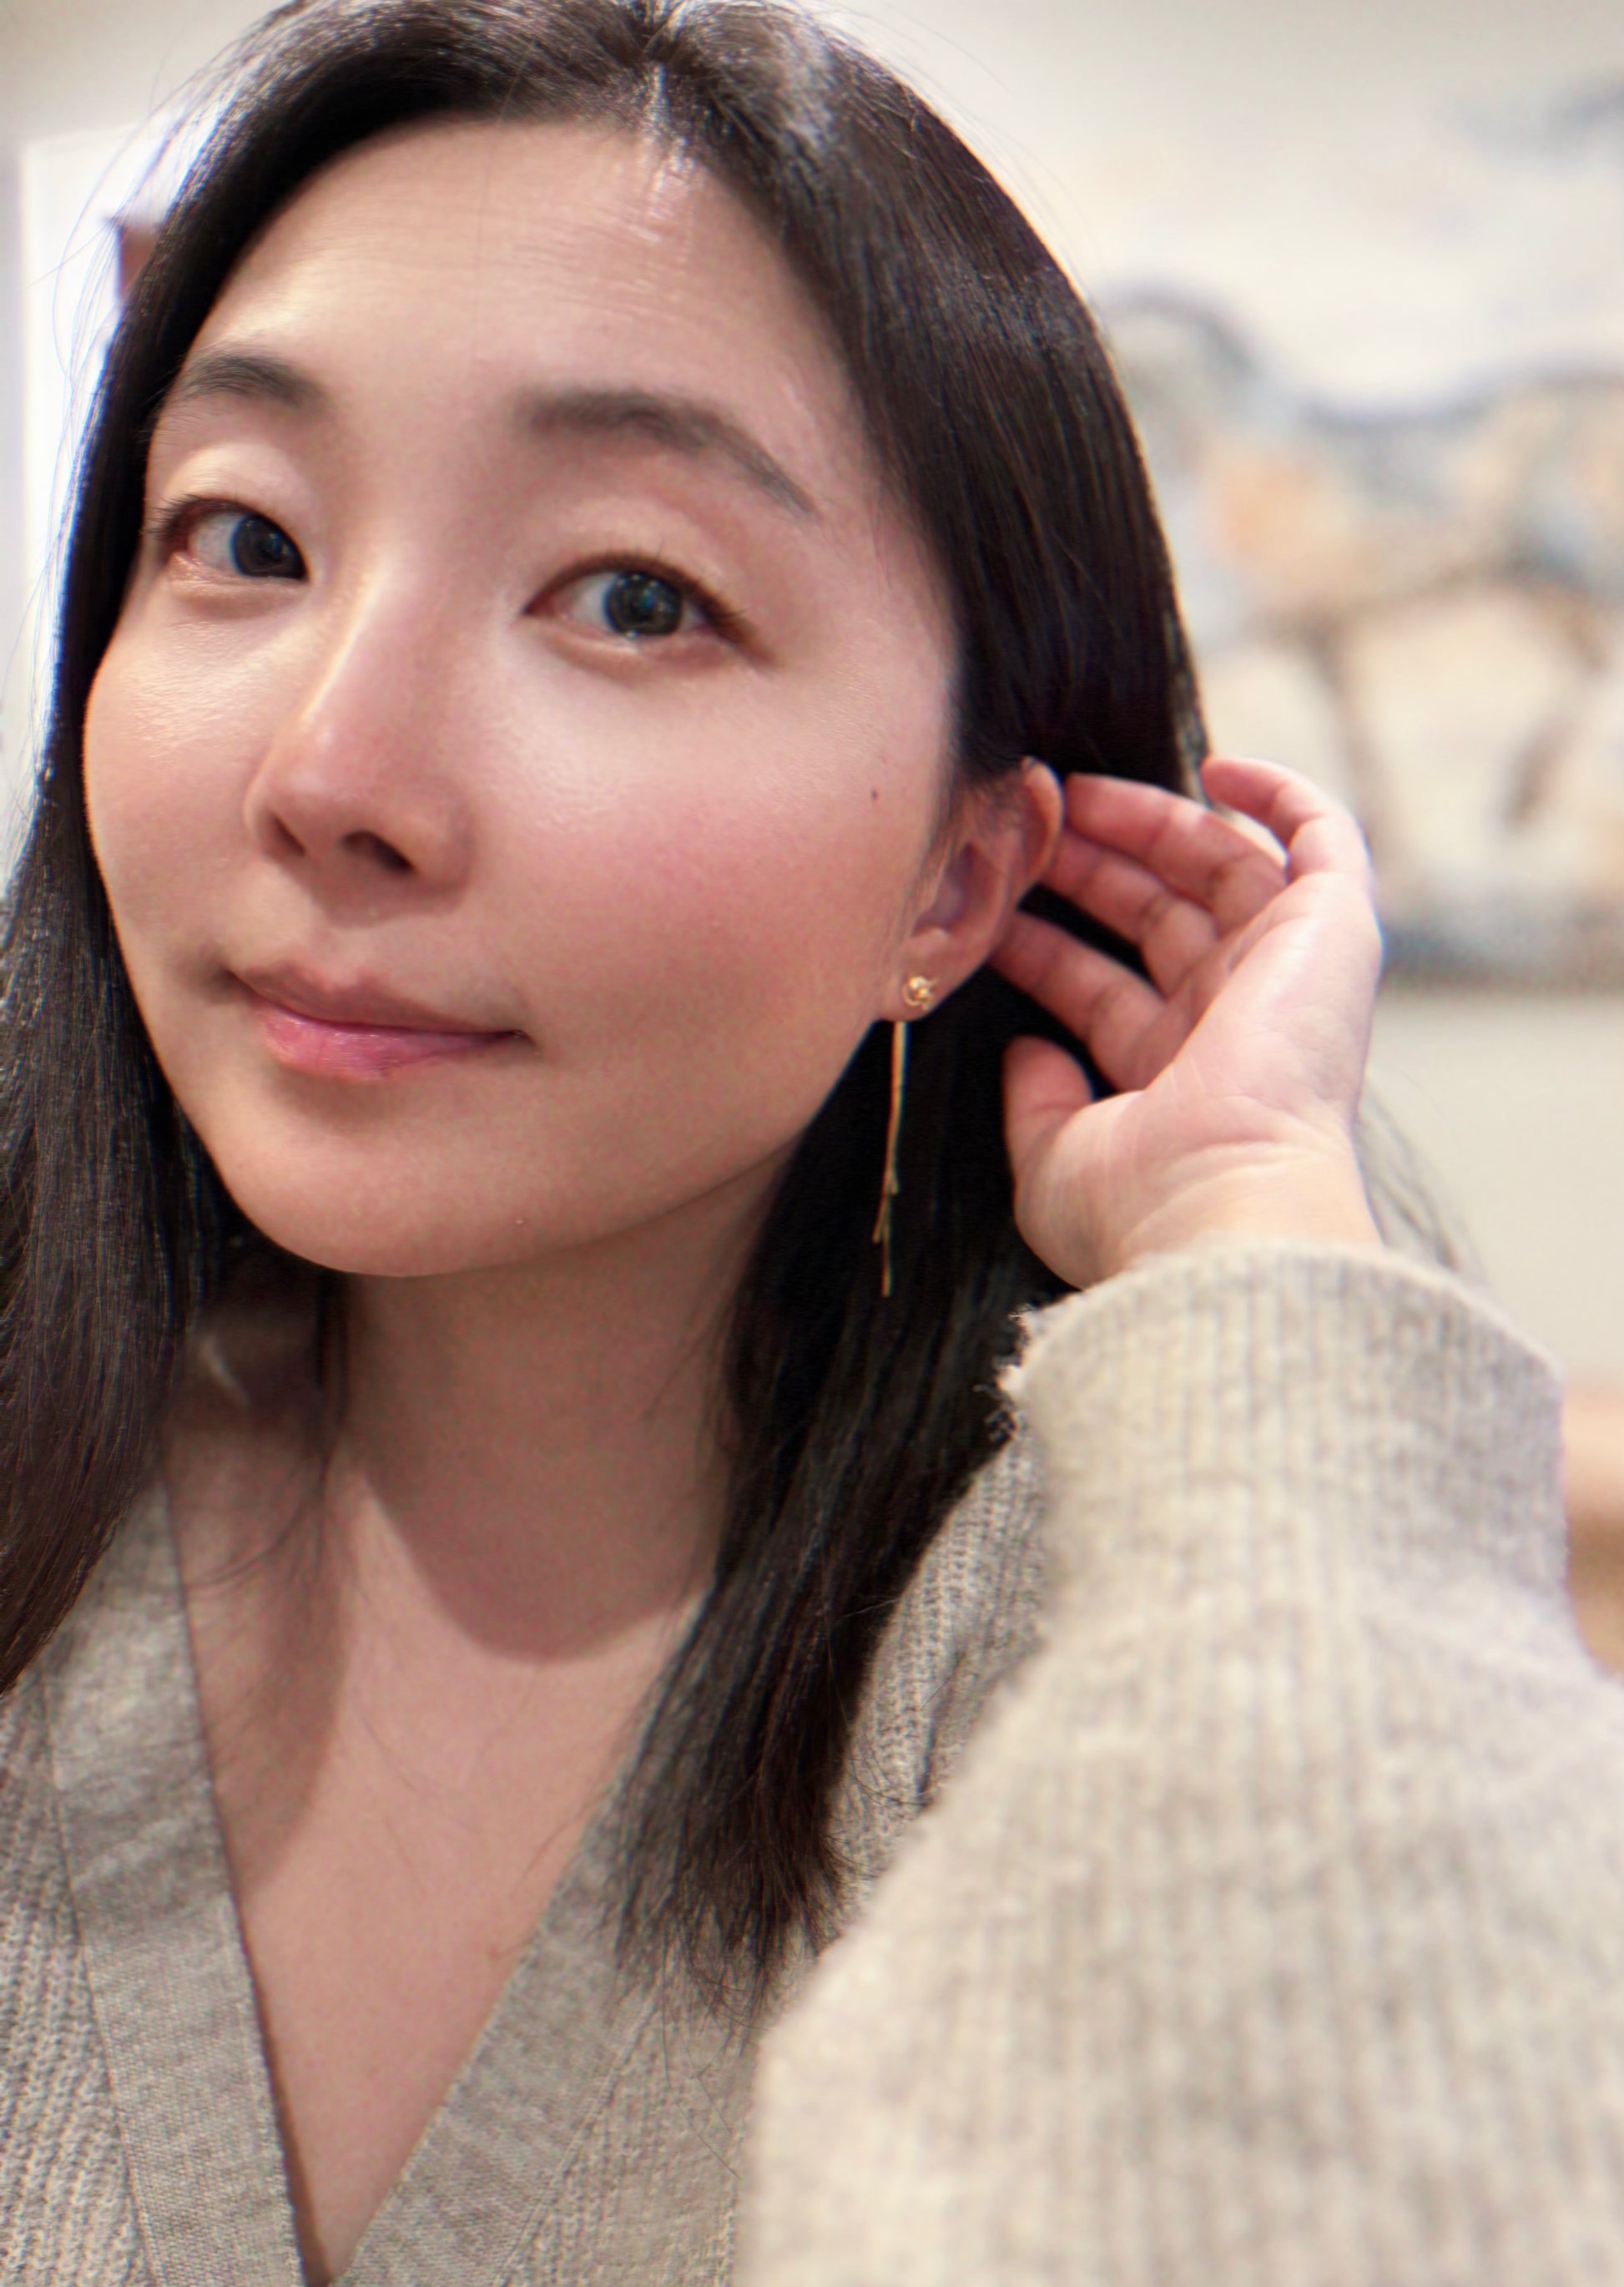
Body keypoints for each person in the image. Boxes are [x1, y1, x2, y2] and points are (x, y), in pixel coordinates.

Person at [3, 2, 1623, 2281]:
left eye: (632, 597)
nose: (330, 771)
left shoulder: (1131, 1621)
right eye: (244, 537)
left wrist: (1257, 1221)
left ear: (954, 884)